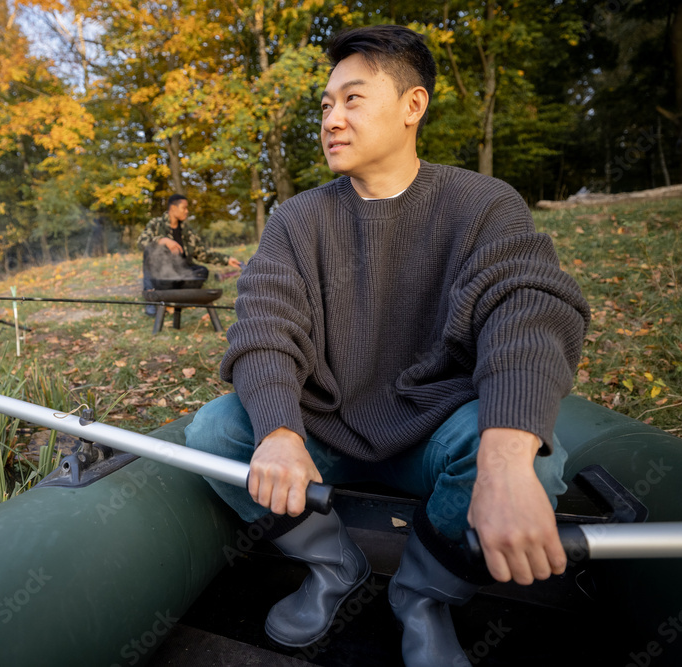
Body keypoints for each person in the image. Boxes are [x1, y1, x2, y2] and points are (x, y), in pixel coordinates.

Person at [184, 24, 590, 666]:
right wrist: (280, 431)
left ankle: (423, 592)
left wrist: (506, 459)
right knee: (214, 432)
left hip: (433, 428)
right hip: (328, 423)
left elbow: (528, 309)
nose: (331, 119)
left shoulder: (483, 204)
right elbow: (264, 325)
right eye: (324, 105)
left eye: (352, 99)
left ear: (413, 106)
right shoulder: (295, 220)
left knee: (536, 459)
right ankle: (332, 564)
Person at [137, 194, 242, 315]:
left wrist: (227, 260)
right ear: (173, 208)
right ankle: (152, 299)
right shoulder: (156, 224)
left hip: (181, 273)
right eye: (184, 208)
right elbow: (141, 242)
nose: (187, 211)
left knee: (202, 271)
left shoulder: (187, 231)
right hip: (162, 275)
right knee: (149, 251)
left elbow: (202, 252)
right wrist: (163, 240)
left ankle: (177, 300)